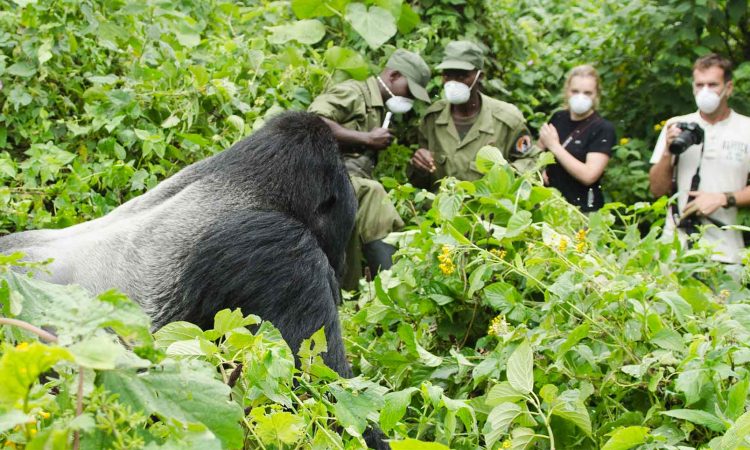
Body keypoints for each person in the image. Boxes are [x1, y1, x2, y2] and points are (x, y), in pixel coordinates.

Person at [309, 49, 432, 289]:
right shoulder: (353, 93)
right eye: (410, 91)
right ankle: (395, 290)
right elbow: (311, 123)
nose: (411, 99)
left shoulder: (379, 108)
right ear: (394, 76)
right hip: (323, 176)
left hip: (344, 183)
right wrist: (365, 139)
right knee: (373, 194)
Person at [649, 53, 750, 266]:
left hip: (725, 251)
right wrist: (668, 152)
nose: (705, 91)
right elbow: (657, 190)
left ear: (728, 88)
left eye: (712, 84)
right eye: (699, 84)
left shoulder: (746, 129)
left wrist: (722, 198)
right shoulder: (676, 126)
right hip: (675, 249)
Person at [410, 40, 536, 188]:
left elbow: (531, 161)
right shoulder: (432, 118)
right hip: (441, 208)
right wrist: (419, 166)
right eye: (447, 76)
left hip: (489, 208)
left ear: (480, 76)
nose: (453, 83)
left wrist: (506, 175)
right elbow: (421, 182)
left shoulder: (507, 119)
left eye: (462, 77)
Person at [537, 65, 616, 212]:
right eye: (575, 91)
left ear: (596, 95)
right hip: (549, 204)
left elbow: (589, 175)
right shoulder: (558, 117)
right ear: (567, 91)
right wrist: (540, 170)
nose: (580, 97)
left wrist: (555, 147)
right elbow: (537, 151)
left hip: (582, 210)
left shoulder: (602, 129)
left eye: (587, 93)